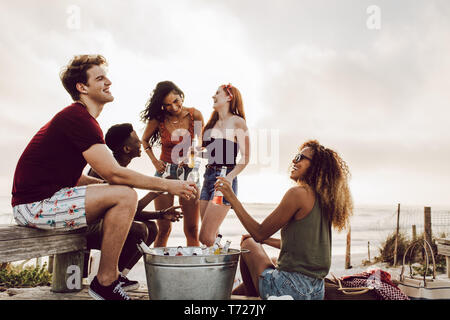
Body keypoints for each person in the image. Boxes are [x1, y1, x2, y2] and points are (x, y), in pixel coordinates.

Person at [11, 55, 196, 300]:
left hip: (44, 201)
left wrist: (105, 187)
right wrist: (170, 185)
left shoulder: (81, 119)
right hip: (33, 207)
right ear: (82, 87)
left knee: (121, 193)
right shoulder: (77, 118)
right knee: (124, 194)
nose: (108, 81)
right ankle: (106, 281)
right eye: (100, 78)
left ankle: (110, 277)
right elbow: (114, 172)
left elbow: (76, 178)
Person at [215, 140, 353, 300]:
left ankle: (254, 299)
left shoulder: (298, 194)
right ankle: (242, 296)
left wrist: (232, 198)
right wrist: (266, 241)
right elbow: (299, 245)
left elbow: (258, 233)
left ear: (315, 166)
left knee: (248, 244)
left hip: (288, 289)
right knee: (271, 258)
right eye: (296, 156)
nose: (294, 160)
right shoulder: (325, 200)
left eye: (301, 157)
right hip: (316, 292)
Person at [84, 123, 183, 291]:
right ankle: (109, 279)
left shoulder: (120, 168)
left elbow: (125, 213)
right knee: (138, 231)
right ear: (127, 149)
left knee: (152, 228)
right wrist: (156, 191)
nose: (140, 145)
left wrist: (160, 214)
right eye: (137, 141)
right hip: (86, 226)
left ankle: (119, 276)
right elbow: (124, 214)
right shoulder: (107, 169)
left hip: (107, 224)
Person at [140, 81, 204, 247]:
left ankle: (192, 269)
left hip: (189, 172)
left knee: (191, 229)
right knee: (163, 229)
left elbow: (201, 143)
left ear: (181, 95)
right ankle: (158, 270)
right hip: (165, 173)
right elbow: (144, 140)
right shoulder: (158, 119)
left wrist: (190, 154)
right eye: (167, 105)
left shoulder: (195, 115)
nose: (174, 108)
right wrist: (154, 161)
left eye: (176, 101)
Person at [198, 84, 250, 246]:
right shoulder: (212, 123)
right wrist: (192, 153)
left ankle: (223, 253)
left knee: (205, 237)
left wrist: (229, 177)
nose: (213, 96)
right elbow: (211, 154)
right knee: (210, 237)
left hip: (224, 178)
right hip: (208, 178)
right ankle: (220, 259)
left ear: (229, 97)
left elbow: (246, 156)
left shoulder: (237, 122)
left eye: (217, 93)